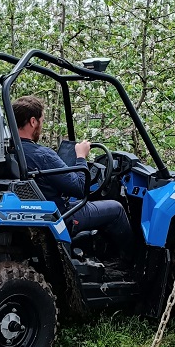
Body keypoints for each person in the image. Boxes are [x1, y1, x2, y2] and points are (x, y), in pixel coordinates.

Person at [12, 95, 134, 267]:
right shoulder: (42, 155)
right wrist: (81, 157)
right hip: (59, 216)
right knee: (117, 209)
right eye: (41, 121)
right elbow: (80, 188)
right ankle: (129, 265)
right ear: (33, 122)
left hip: (33, 213)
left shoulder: (8, 151)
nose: (41, 125)